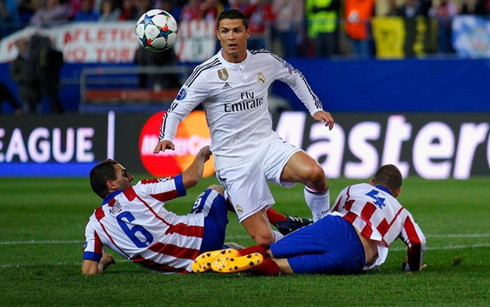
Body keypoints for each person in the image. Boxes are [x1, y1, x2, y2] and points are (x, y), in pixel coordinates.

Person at [153, 8, 335, 247]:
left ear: (248, 33)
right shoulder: (205, 74)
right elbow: (176, 110)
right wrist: (166, 136)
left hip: (265, 145)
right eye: (226, 31)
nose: (231, 37)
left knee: (315, 173)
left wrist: (315, 109)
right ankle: (289, 236)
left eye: (237, 30)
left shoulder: (264, 60)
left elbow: (294, 76)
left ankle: (322, 226)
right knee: (264, 239)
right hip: (233, 160)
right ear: (218, 34)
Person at [81, 145, 310, 274]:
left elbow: (88, 271)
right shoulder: (139, 191)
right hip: (203, 234)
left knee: (232, 250)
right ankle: (281, 222)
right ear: (111, 185)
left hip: (186, 266)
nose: (130, 177)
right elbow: (191, 179)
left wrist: (103, 261)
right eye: (124, 174)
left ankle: (267, 261)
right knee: (217, 189)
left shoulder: (95, 224)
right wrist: (201, 155)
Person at [193, 164, 427, 276]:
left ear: (372, 181)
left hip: (335, 226)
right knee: (282, 268)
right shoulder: (401, 211)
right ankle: (245, 264)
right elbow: (417, 243)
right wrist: (411, 267)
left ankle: (230, 257)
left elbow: (330, 217)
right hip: (353, 257)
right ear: (398, 192)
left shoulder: (354, 188)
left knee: (272, 251)